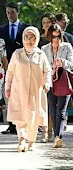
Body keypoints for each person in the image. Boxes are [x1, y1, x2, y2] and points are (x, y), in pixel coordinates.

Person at [5, 26, 51, 152]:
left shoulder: (41, 54)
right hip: (19, 90)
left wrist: (47, 83)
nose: (29, 40)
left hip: (36, 91)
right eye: (26, 37)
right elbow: (10, 72)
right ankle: (21, 139)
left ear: (36, 39)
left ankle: (31, 141)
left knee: (33, 117)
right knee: (20, 116)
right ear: (23, 39)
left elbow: (47, 71)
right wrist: (7, 87)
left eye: (32, 37)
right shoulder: (17, 54)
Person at [0, 1, 30, 134]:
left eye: (12, 12)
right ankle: (11, 124)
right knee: (9, 95)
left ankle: (24, 122)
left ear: (18, 12)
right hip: (7, 66)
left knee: (22, 95)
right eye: (8, 13)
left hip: (22, 66)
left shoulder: (26, 28)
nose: (10, 15)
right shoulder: (1, 30)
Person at [41, 24, 73, 148]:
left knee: (61, 109)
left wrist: (62, 62)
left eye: (58, 36)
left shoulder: (67, 47)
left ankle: (58, 136)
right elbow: (43, 67)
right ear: (49, 36)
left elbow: (71, 64)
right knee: (53, 109)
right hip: (50, 82)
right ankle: (56, 136)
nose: (56, 39)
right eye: (53, 37)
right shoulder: (44, 49)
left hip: (64, 81)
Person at [38, 12, 56, 142]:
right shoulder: (38, 38)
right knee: (44, 104)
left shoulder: (58, 37)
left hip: (57, 74)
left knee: (53, 105)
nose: (46, 25)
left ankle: (51, 131)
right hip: (41, 74)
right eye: (44, 23)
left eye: (48, 22)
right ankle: (45, 131)